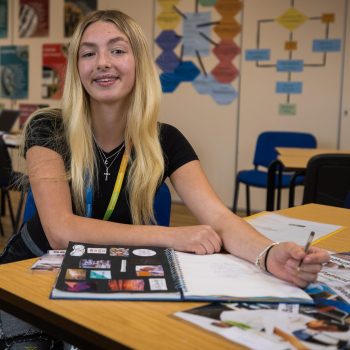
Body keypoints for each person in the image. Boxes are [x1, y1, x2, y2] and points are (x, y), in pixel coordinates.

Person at [0, 9, 329, 349]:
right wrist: (171, 237)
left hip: (108, 277)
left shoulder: (166, 140)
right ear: (77, 68)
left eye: (117, 50)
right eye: (88, 52)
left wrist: (269, 254)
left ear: (138, 62)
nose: (102, 62)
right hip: (30, 273)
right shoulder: (48, 127)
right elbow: (60, 230)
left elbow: (218, 218)